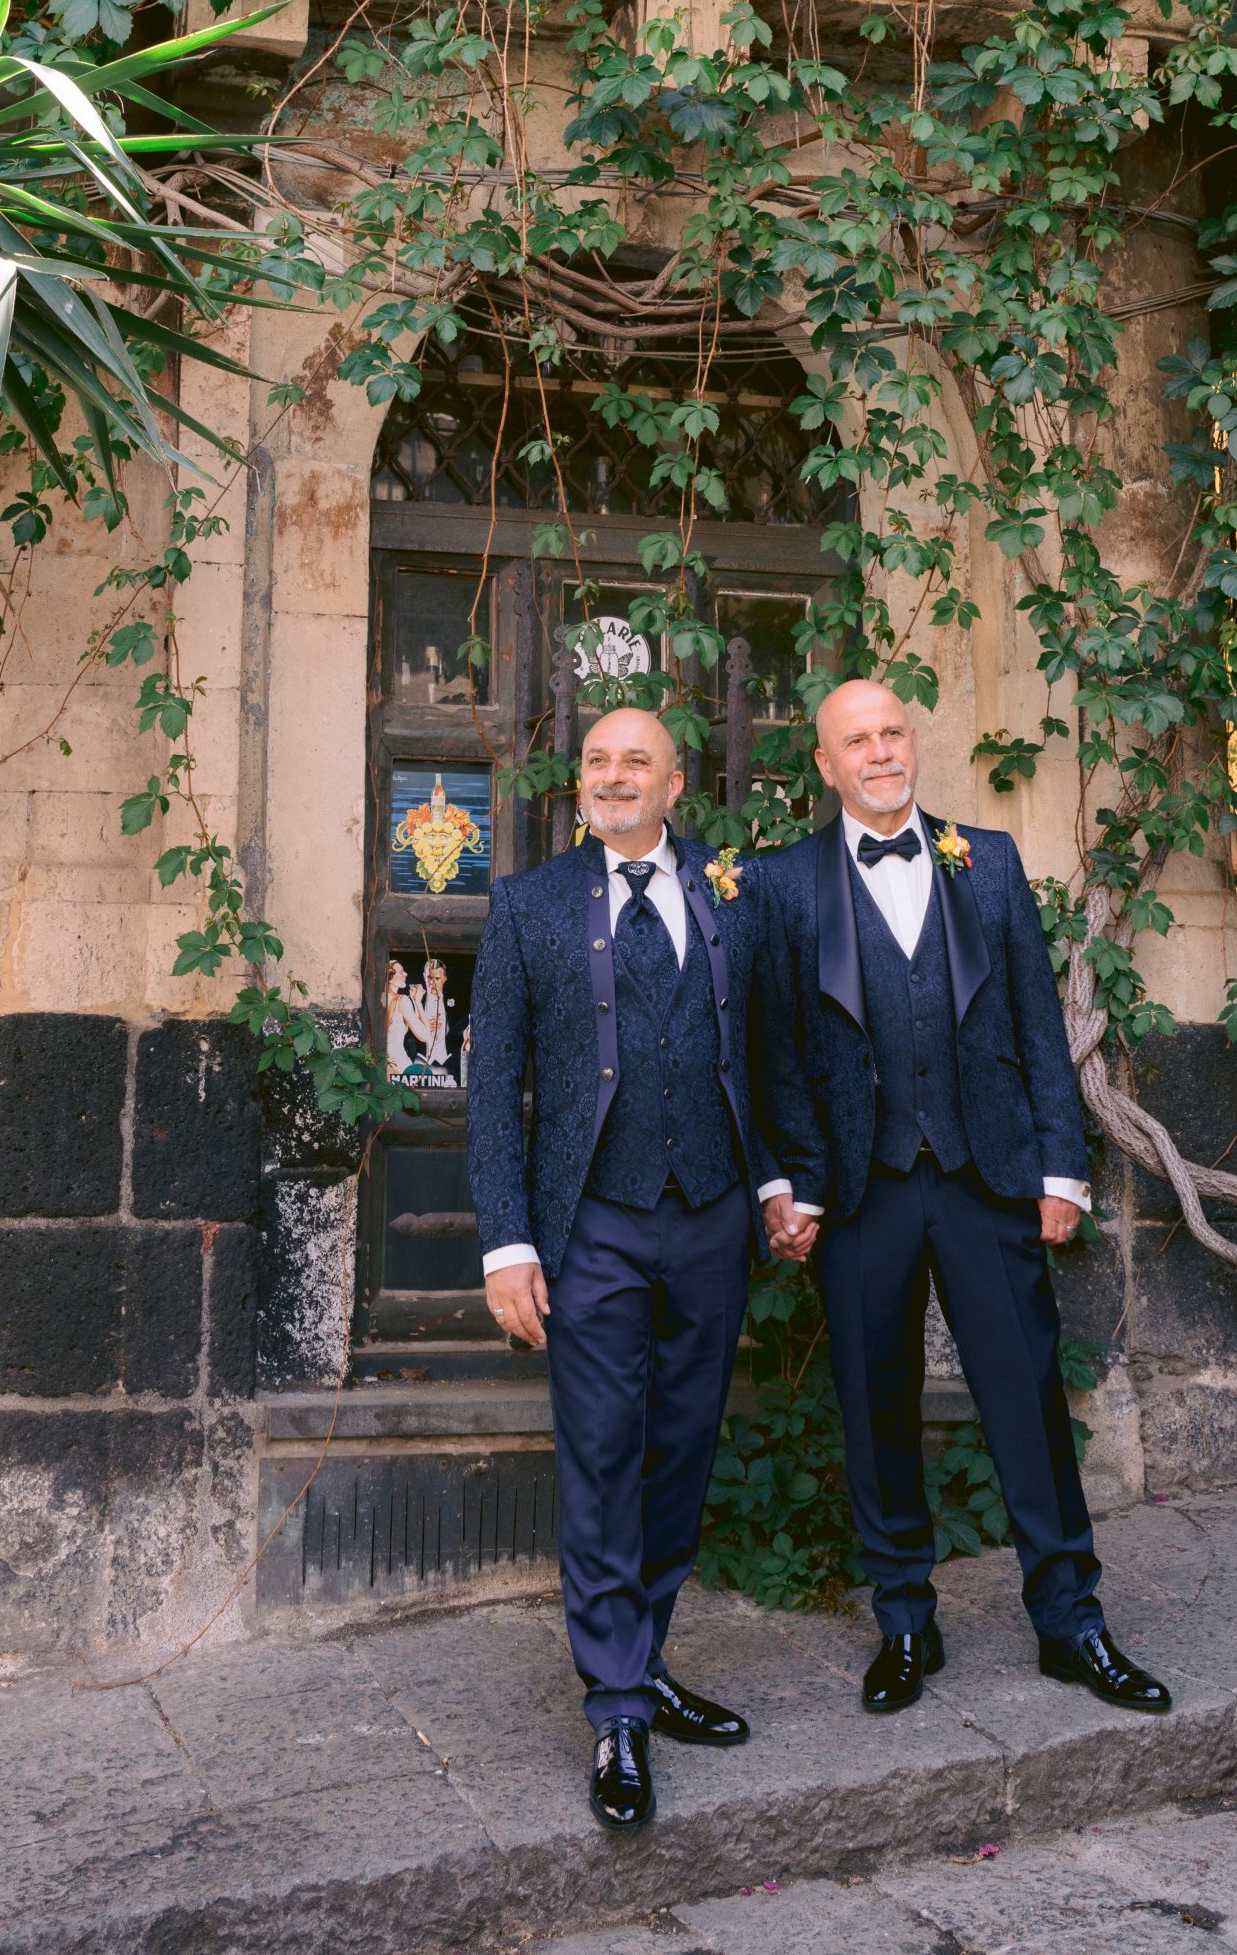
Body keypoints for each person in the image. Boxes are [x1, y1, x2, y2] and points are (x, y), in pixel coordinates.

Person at [758, 679, 1171, 1720]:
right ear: (826, 762)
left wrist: (1060, 1168)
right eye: (858, 739)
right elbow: (775, 1055)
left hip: (988, 1178)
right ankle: (905, 1616)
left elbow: (1038, 1018)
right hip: (861, 1191)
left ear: (913, 742)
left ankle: (1072, 1619)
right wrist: (789, 1183)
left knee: (1026, 1397)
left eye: (894, 731)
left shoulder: (984, 861)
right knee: (874, 1401)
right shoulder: (782, 882)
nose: (882, 750)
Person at [467, 705, 788, 1832]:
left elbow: (767, 1052)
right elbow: (494, 1081)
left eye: (634, 760)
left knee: (681, 1449)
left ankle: (644, 1655)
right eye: (598, 760)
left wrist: (774, 1182)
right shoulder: (529, 904)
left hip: (706, 1216)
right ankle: (613, 1706)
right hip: (591, 1225)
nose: (612, 776)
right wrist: (508, 1241)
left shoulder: (735, 892)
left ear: (674, 780)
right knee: (602, 1451)